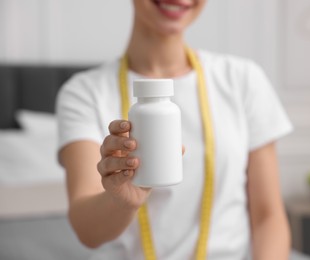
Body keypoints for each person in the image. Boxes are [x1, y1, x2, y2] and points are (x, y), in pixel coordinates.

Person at [56, 0, 293, 259]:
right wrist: (120, 202)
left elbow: (268, 217)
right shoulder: (84, 93)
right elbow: (87, 231)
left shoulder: (242, 79)